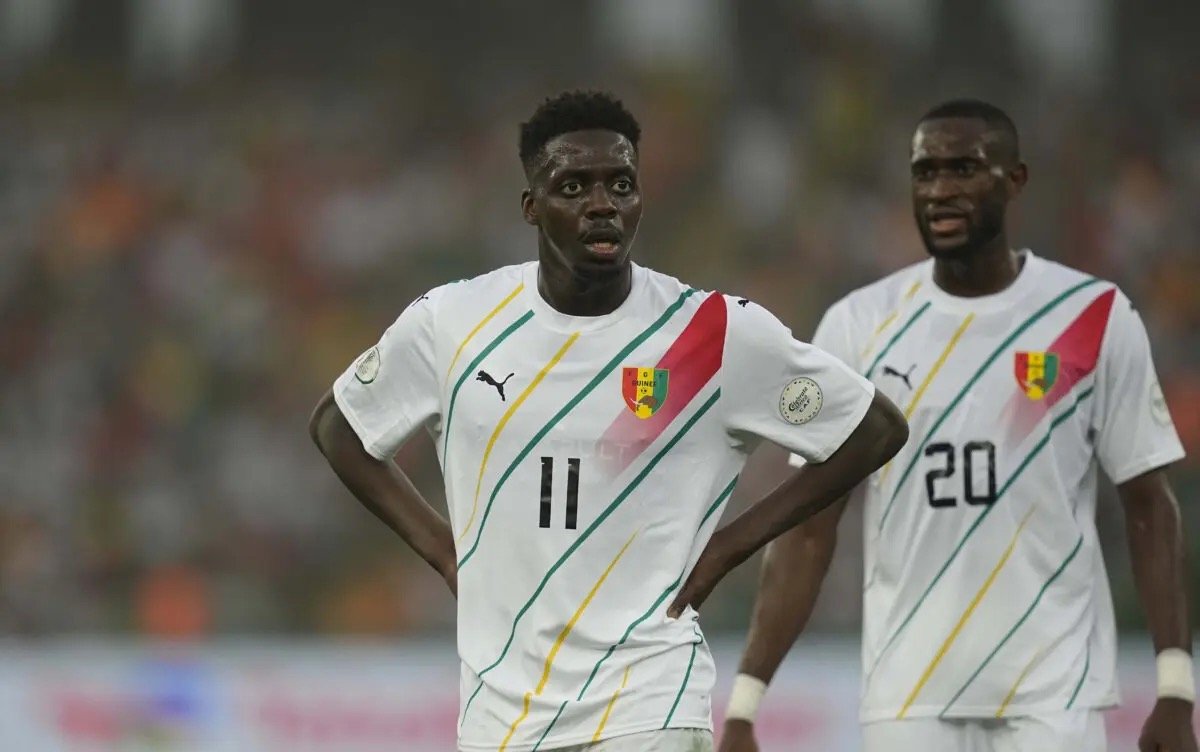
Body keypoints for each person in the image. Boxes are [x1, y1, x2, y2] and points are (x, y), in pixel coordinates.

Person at [308, 90, 908, 752]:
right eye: (574, 187)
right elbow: (340, 426)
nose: (602, 204)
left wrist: (731, 546)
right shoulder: (454, 322)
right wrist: (444, 552)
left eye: (620, 185)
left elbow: (873, 429)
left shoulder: (710, 333)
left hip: (650, 702)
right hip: (500, 719)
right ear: (532, 206)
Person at [718, 98, 1196, 752]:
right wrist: (746, 702)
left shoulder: (1094, 316)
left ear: (1015, 179)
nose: (940, 189)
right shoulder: (860, 326)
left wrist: (1175, 685)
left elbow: (1148, 503)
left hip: (1056, 694)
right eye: (926, 172)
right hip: (910, 697)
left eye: (964, 169)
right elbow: (808, 529)